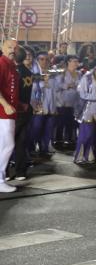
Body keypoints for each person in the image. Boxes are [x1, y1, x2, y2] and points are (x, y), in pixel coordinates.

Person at [10, 45, 35, 179]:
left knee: (7, 141)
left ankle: (5, 172)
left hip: (15, 111)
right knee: (21, 141)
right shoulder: (28, 72)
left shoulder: (13, 72)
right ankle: (20, 172)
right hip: (26, 110)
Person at [0, 38, 19, 193]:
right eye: (9, 47)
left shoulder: (11, 65)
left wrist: (19, 105)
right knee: (7, 146)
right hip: (3, 113)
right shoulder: (2, 63)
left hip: (8, 112)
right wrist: (6, 105)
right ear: (2, 47)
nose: (12, 50)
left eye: (15, 47)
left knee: (5, 146)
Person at [29, 51, 56, 157]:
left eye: (47, 59)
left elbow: (56, 91)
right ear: (37, 60)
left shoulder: (53, 74)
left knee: (48, 129)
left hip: (50, 107)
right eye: (41, 59)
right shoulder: (32, 73)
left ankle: (44, 148)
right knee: (36, 128)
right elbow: (32, 90)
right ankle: (31, 148)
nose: (44, 61)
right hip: (38, 107)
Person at [54, 55, 81, 144]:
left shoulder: (79, 74)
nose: (76, 63)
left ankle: (70, 140)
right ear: (68, 62)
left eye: (77, 61)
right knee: (61, 123)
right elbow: (56, 86)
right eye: (74, 61)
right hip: (63, 102)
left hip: (75, 103)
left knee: (72, 123)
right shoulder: (62, 73)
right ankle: (58, 141)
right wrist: (67, 85)